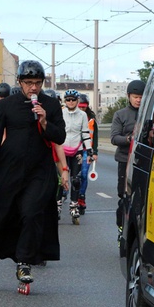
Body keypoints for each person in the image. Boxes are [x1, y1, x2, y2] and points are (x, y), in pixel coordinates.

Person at [0, 60, 66, 295]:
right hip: (8, 169)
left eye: (37, 83)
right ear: (20, 82)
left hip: (39, 170)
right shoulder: (7, 105)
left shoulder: (52, 105)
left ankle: (24, 263)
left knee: (31, 212)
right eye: (28, 83)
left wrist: (45, 121)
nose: (33, 88)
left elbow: (61, 137)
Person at [110, 79, 144, 234]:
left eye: (141, 96)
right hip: (125, 161)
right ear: (129, 96)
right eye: (135, 96)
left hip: (144, 161)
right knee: (124, 198)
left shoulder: (150, 113)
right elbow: (114, 138)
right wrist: (129, 139)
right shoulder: (120, 115)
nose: (138, 100)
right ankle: (122, 230)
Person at [60, 89, 91, 224]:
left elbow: (85, 132)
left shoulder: (83, 115)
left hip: (77, 150)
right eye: (68, 100)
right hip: (62, 149)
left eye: (73, 99)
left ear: (77, 100)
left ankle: (74, 205)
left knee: (76, 179)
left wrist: (89, 149)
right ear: (65, 101)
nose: (71, 102)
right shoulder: (61, 113)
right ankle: (58, 205)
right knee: (61, 179)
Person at [77, 94, 98, 214]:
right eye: (80, 107)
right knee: (74, 175)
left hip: (86, 151)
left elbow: (95, 137)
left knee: (84, 174)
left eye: (84, 107)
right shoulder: (71, 116)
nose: (82, 109)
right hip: (74, 149)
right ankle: (67, 194)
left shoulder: (91, 120)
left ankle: (81, 197)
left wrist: (95, 152)